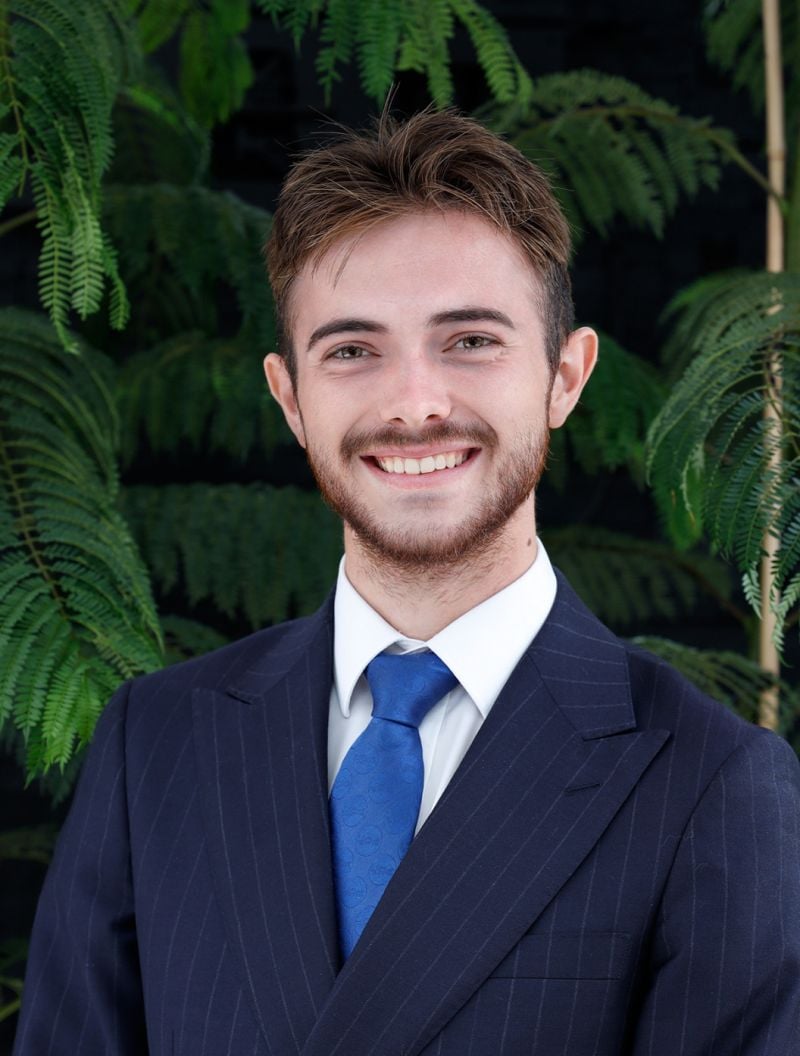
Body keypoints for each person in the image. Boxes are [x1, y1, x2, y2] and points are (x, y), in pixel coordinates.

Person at [13, 110, 800, 1056]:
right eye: (352, 350)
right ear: (290, 398)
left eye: (470, 341)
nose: (416, 404)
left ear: (565, 375)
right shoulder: (157, 742)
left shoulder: (713, 782)